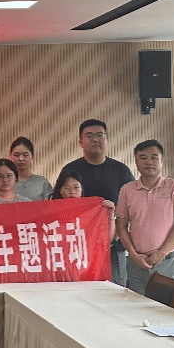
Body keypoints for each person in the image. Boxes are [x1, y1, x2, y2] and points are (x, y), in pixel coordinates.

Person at [60, 120, 136, 286]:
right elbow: (59, 207)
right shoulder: (70, 170)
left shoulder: (121, 170)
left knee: (115, 292)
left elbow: (132, 205)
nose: (95, 139)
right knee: (78, 292)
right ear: (80, 142)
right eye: (89, 136)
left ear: (106, 139)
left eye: (100, 135)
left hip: (113, 248)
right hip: (77, 248)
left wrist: (118, 229)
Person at [116, 139, 174, 296]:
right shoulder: (126, 190)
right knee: (136, 307)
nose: (149, 162)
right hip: (137, 263)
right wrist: (134, 255)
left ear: (162, 161)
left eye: (154, 157)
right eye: (143, 158)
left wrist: (162, 253)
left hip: (169, 261)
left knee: (169, 308)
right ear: (136, 162)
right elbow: (121, 226)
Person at [51, 167, 116, 247]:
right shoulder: (51, 211)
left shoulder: (93, 211)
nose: (72, 192)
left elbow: (107, 239)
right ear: (60, 190)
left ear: (82, 189)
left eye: (76, 187)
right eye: (67, 188)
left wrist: (110, 214)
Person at [9, 136, 53, 200]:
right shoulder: (6, 183)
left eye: (25, 155)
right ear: (10, 156)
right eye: (16, 155)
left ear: (32, 156)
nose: (21, 159)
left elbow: (47, 205)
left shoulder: (42, 183)